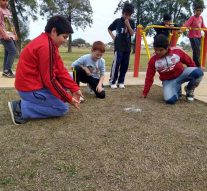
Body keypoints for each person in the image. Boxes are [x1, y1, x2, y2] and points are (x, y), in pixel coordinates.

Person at [8, 15, 83, 125]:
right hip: (29, 89)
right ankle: (20, 108)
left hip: (35, 83)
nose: (65, 41)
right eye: (65, 37)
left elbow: (60, 70)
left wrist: (74, 88)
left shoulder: (49, 43)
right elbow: (50, 80)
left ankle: (38, 101)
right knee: (61, 108)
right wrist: (68, 98)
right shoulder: (45, 46)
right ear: (54, 31)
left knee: (69, 78)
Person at [142, 34, 203, 104]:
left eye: (161, 50)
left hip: (182, 74)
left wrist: (194, 72)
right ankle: (177, 89)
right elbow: (149, 77)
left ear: (167, 47)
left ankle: (189, 90)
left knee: (198, 72)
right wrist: (145, 92)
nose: (158, 52)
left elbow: (190, 62)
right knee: (170, 100)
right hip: (168, 81)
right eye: (156, 49)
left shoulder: (177, 51)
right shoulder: (153, 60)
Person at [108, 2, 135, 89]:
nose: (128, 16)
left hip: (127, 47)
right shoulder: (117, 21)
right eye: (126, 14)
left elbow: (132, 33)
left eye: (129, 15)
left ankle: (121, 81)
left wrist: (128, 25)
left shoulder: (132, 22)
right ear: (123, 13)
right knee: (116, 64)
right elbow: (109, 28)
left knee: (125, 65)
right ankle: (112, 81)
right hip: (119, 46)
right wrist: (112, 36)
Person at [183, 3, 206, 67]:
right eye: (197, 10)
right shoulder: (192, 18)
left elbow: (203, 26)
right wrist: (181, 30)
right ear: (195, 11)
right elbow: (186, 24)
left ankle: (193, 65)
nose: (198, 12)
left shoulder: (201, 18)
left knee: (197, 51)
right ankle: (197, 65)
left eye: (200, 11)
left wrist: (206, 30)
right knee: (196, 50)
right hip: (193, 36)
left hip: (199, 36)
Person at [0, 0, 17, 78]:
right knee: (13, 51)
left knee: (8, 52)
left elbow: (11, 23)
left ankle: (5, 71)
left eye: (7, 0)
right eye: (3, 0)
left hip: (11, 35)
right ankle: (7, 70)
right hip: (4, 35)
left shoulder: (8, 11)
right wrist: (4, 34)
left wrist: (15, 33)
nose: (6, 2)